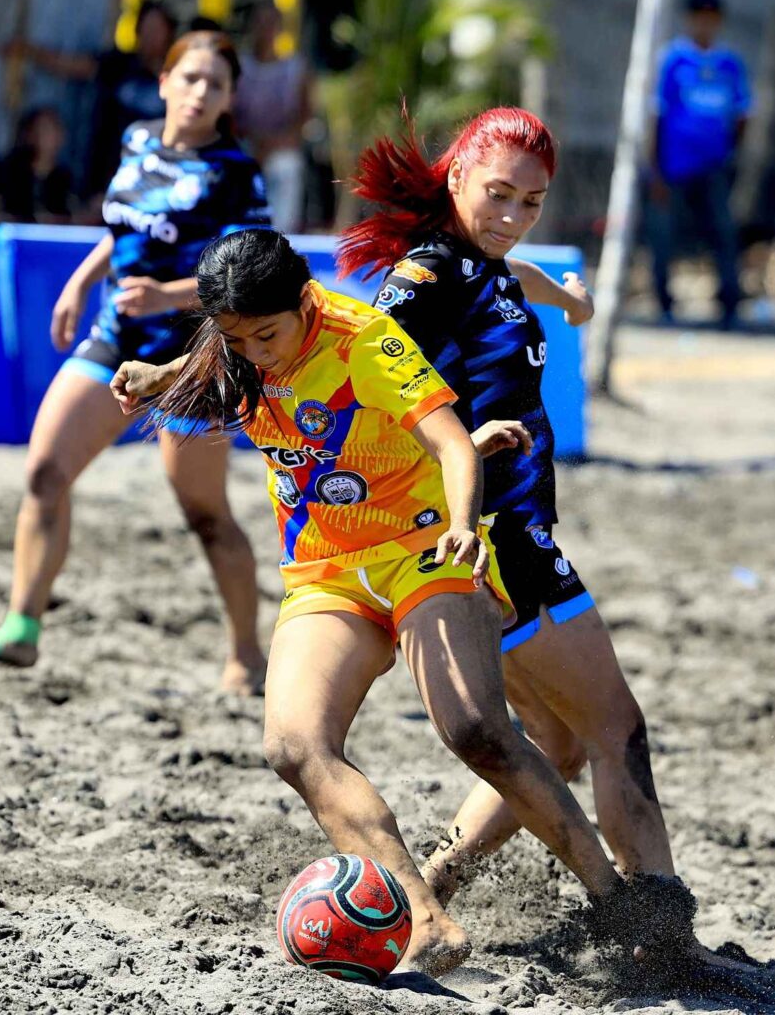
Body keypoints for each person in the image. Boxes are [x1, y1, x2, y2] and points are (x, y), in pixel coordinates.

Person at [109, 228, 701, 976]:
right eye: (237, 339)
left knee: (476, 729)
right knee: (293, 746)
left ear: (304, 301)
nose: (255, 353)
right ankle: (425, 921)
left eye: (267, 335)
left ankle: (615, 902)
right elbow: (220, 360)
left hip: (423, 549)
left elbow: (451, 445)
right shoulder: (239, 340)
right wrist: (157, 374)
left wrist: (463, 527)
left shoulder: (365, 343)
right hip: (325, 570)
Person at [335, 106, 689, 901]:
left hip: (500, 534)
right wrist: (458, 438)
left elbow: (514, 279)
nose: (512, 216)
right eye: (497, 194)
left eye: (530, 203)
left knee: (556, 743)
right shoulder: (426, 276)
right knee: (615, 730)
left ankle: (431, 888)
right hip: (494, 537)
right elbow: (357, 376)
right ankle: (659, 929)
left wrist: (571, 302)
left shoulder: (483, 267)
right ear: (457, 175)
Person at [0, 31, 270, 696]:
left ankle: (247, 655)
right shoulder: (137, 140)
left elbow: (252, 274)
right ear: (165, 82)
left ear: (229, 98)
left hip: (191, 358)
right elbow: (121, 232)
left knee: (205, 514)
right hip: (116, 338)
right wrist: (79, 282)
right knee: (44, 473)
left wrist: (167, 296)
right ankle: (22, 626)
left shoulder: (236, 172)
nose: (201, 92)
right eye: (191, 77)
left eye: (216, 84)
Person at [647, 0, 753, 327]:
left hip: (714, 167)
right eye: (699, 17)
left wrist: (729, 154)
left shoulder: (729, 64)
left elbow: (742, 114)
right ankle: (664, 303)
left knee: (723, 233)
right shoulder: (673, 60)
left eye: (711, 18)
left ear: (718, 21)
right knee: (664, 235)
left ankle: (729, 305)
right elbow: (656, 116)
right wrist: (655, 170)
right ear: (689, 20)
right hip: (673, 167)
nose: (704, 24)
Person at [4, 0, 177, 198]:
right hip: (108, 174)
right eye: (146, 28)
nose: (150, 36)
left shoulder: (180, 79)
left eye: (156, 29)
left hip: (155, 178)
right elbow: (71, 66)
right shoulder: (118, 65)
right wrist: (28, 51)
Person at [232, 1, 312, 233]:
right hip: (244, 145)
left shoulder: (297, 68)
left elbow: (303, 117)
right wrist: (255, 142)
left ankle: (281, 236)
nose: (265, 28)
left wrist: (274, 143)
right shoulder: (238, 66)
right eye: (260, 22)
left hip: (282, 147)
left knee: (286, 167)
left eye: (271, 23)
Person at [0, 106, 73, 223]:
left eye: (47, 131)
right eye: (35, 130)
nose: (40, 137)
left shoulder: (65, 179)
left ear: (60, 136)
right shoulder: (3, 172)